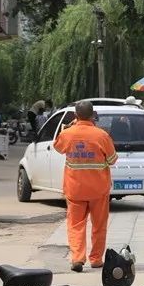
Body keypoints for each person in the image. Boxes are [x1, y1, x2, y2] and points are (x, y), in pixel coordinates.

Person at [53, 101, 118, 272]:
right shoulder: (101, 135)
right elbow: (112, 160)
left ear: (75, 115)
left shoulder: (68, 134)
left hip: (75, 189)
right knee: (99, 225)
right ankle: (96, 259)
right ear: (93, 115)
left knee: (75, 225)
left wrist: (68, 127)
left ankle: (77, 258)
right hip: (98, 189)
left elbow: (57, 146)